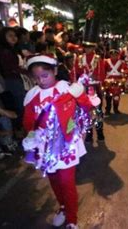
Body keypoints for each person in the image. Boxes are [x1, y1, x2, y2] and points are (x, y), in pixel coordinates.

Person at [22, 55, 93, 229]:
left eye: (45, 75)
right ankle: (62, 207)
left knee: (67, 182)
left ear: (54, 71)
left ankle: (71, 219)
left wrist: (81, 95)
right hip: (44, 146)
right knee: (53, 179)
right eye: (36, 77)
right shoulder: (32, 95)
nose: (41, 80)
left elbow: (87, 107)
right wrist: (30, 135)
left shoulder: (66, 89)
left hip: (66, 145)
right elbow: (28, 120)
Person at [103, 49, 128, 115]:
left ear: (118, 55)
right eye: (112, 55)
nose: (114, 56)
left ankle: (116, 109)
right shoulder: (106, 61)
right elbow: (103, 70)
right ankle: (108, 109)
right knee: (108, 96)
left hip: (118, 80)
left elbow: (125, 70)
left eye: (115, 55)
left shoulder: (121, 62)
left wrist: (124, 73)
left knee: (116, 96)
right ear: (110, 55)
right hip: (108, 81)